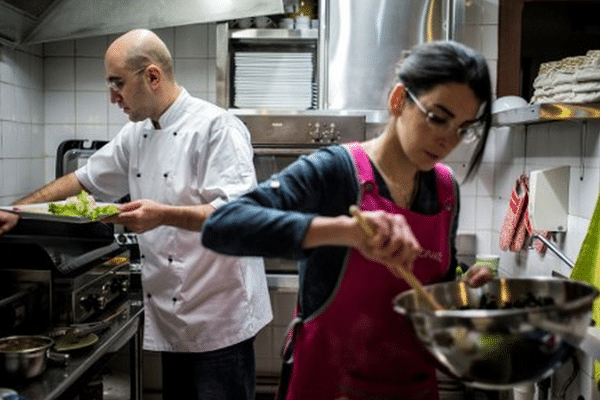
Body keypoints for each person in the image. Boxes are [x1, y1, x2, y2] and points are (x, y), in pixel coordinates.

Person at [201, 40, 496, 400]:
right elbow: (223, 225)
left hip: (411, 388)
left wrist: (466, 293)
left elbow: (434, 292)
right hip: (328, 385)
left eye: (463, 129)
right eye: (438, 118)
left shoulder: (446, 191)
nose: (448, 140)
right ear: (399, 100)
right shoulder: (335, 171)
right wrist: (346, 231)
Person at [0, 29, 272, 400]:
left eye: (117, 83)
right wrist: (17, 210)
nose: (113, 97)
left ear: (153, 77)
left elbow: (238, 215)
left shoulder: (216, 128)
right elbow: (83, 180)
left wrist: (163, 215)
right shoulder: (137, 134)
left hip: (218, 317)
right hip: (174, 319)